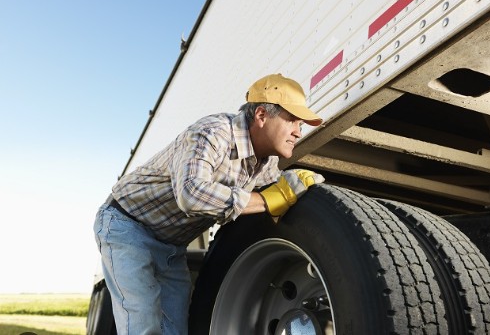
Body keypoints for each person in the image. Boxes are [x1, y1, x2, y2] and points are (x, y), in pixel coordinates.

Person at [93, 73, 325, 335]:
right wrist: (266, 199)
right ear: (261, 115)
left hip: (171, 246)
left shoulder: (266, 164)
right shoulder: (212, 133)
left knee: (176, 331)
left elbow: (275, 202)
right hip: (127, 227)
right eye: (292, 120)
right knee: (144, 325)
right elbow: (191, 194)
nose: (298, 130)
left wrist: (300, 191)